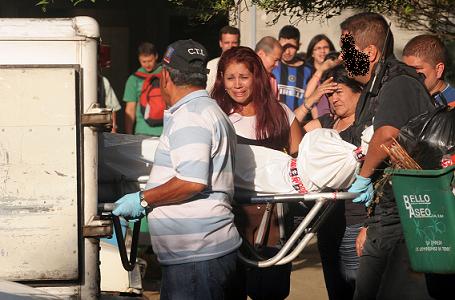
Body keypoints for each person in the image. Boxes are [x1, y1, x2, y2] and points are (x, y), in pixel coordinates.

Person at [113, 39, 241, 300]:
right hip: (202, 257)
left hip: (196, 259)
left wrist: (142, 199)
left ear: (165, 76)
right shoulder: (209, 110)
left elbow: (191, 181)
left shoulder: (190, 116)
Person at [340, 12, 435, 300]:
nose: (342, 58)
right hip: (385, 216)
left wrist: (362, 178)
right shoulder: (374, 89)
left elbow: (386, 135)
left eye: (346, 50)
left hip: (407, 217)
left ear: (369, 52)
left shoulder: (398, 82)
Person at [212, 46, 303, 300]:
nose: (237, 85)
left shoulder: (281, 113)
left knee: (271, 292)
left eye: (244, 77)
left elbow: (302, 162)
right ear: (222, 80)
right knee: (231, 290)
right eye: (230, 78)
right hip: (230, 220)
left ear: (256, 77)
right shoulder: (218, 117)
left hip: (274, 222)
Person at [304, 65, 366, 300]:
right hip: (327, 220)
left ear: (358, 90)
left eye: (338, 92)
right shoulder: (326, 122)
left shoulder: (366, 127)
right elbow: (291, 138)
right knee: (336, 291)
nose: (333, 99)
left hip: (356, 222)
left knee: (357, 289)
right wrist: (311, 100)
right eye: (329, 94)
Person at [402, 34, 455, 107]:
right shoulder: (404, 99)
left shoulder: (451, 106)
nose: (408, 74)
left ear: (439, 70)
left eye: (416, 69)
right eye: (405, 69)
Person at [123, 42, 162, 136]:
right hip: (146, 131)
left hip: (161, 131)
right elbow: (130, 109)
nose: (147, 64)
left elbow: (130, 108)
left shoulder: (133, 79)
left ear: (156, 56)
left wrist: (129, 134)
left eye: (150, 60)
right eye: (144, 61)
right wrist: (129, 135)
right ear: (139, 59)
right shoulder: (134, 79)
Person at [272, 25, 312, 114]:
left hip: (299, 123)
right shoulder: (272, 67)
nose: (287, 52)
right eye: (284, 47)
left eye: (292, 47)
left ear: (299, 45)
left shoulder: (308, 70)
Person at [304, 35, 340, 119]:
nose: (322, 51)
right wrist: (321, 69)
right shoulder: (305, 71)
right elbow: (307, 95)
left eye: (325, 47)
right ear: (312, 53)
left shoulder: (336, 70)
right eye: (318, 48)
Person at [206, 25, 240, 93]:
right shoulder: (211, 65)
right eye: (227, 43)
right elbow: (207, 91)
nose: (230, 46)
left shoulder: (245, 64)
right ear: (220, 43)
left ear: (239, 43)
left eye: (234, 43)